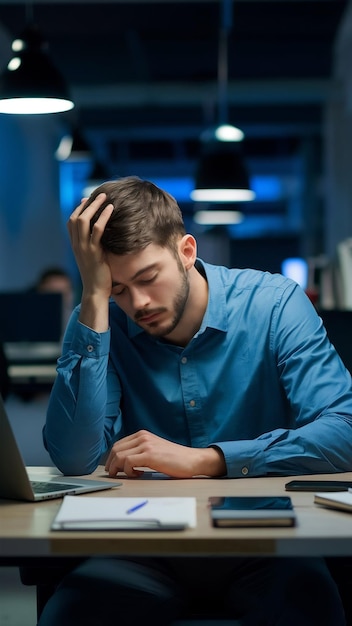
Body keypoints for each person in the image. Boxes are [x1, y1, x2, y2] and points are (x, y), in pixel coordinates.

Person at [40, 176, 352, 626]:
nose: (139, 303)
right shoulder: (100, 319)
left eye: (148, 277)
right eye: (118, 289)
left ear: (187, 251)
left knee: (311, 609)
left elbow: (344, 428)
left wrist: (210, 460)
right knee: (69, 616)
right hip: (144, 548)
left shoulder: (274, 304)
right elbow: (72, 458)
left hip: (268, 545)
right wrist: (93, 296)